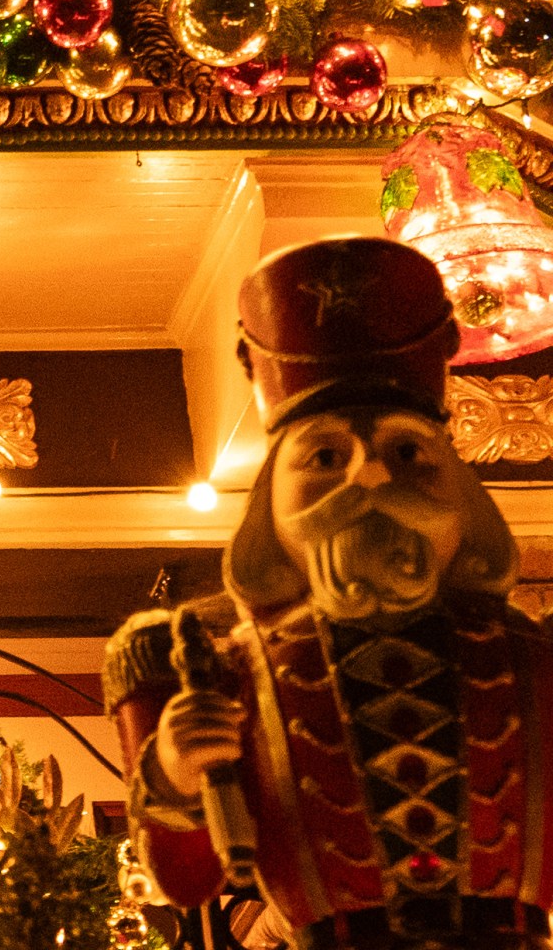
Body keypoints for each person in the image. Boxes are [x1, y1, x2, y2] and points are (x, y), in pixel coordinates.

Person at [103, 234, 553, 950]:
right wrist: (176, 770)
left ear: (461, 494)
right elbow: (184, 881)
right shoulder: (213, 671)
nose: (369, 479)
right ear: (270, 504)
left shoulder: (536, 656)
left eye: (407, 452)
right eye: (324, 458)